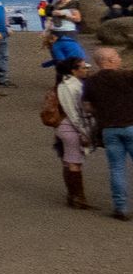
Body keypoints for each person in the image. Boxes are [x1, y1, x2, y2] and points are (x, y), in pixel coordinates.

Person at [82, 47, 133, 222]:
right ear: (109, 60)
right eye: (117, 56)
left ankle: (120, 207)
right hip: (130, 125)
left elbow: (87, 107)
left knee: (117, 169)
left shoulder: (90, 82)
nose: (120, 59)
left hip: (109, 129)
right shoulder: (126, 76)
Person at [52, 56, 93, 210]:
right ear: (73, 70)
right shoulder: (71, 86)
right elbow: (74, 112)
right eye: (83, 67)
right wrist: (83, 131)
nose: (86, 69)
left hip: (62, 126)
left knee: (67, 161)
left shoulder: (64, 84)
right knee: (75, 162)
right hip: (70, 127)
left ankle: (72, 195)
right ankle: (78, 197)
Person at [45, 0, 85, 64]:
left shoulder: (72, 3)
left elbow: (78, 19)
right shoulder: (56, 4)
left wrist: (63, 15)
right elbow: (51, 18)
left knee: (71, 58)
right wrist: (46, 30)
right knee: (57, 57)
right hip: (54, 33)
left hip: (68, 32)